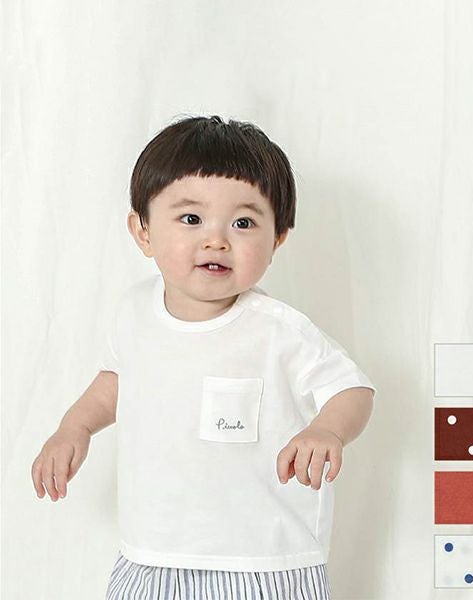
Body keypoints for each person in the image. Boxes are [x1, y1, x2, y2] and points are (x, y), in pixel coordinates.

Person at [31, 114, 376, 599]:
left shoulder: (279, 332)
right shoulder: (133, 311)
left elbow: (352, 388)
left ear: (277, 238)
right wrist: (75, 427)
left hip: (264, 561)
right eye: (191, 219)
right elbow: (116, 380)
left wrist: (327, 430)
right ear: (143, 232)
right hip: (152, 554)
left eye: (243, 222)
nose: (216, 239)